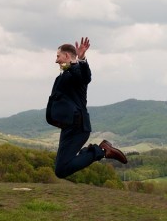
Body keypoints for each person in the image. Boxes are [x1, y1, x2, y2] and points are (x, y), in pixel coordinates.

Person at [46, 37, 127, 179]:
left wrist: (81, 59)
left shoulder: (76, 72)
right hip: (68, 128)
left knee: (62, 170)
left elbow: (85, 77)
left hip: (77, 127)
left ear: (66, 56)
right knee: (60, 169)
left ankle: (101, 150)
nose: (56, 60)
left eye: (58, 56)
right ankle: (98, 150)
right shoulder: (64, 75)